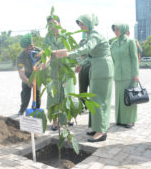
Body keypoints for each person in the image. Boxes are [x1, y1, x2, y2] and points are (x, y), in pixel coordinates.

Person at [54, 14, 114, 142]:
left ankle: (101, 131)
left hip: (103, 69)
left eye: (83, 24)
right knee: (94, 98)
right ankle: (96, 127)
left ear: (89, 23)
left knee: (99, 100)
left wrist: (67, 54)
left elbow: (86, 49)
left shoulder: (95, 34)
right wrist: (81, 64)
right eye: (80, 25)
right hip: (97, 68)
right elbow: (91, 56)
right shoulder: (90, 34)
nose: (81, 27)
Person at [44, 16, 75, 130]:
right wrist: (44, 63)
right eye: (50, 24)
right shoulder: (48, 38)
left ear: (60, 23)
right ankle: (56, 120)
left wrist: (53, 52)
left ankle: (67, 118)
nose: (53, 26)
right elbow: (46, 54)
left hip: (66, 69)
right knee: (54, 94)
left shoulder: (66, 35)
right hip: (54, 70)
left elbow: (68, 50)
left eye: (55, 23)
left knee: (67, 93)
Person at [110, 23, 139, 128]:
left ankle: (130, 120)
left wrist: (136, 74)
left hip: (129, 75)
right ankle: (120, 119)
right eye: (114, 30)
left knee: (129, 97)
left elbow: (134, 58)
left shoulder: (130, 42)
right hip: (117, 75)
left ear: (123, 29)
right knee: (119, 98)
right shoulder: (113, 43)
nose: (116, 31)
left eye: (117, 29)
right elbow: (112, 59)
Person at [17, 33, 41, 115]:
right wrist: (28, 81)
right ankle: (22, 109)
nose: (28, 50)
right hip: (26, 75)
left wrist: (41, 66)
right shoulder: (21, 56)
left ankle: (36, 110)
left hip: (37, 74)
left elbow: (46, 60)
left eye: (29, 47)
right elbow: (21, 73)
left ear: (32, 44)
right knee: (25, 93)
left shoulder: (39, 51)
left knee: (37, 93)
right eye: (25, 48)